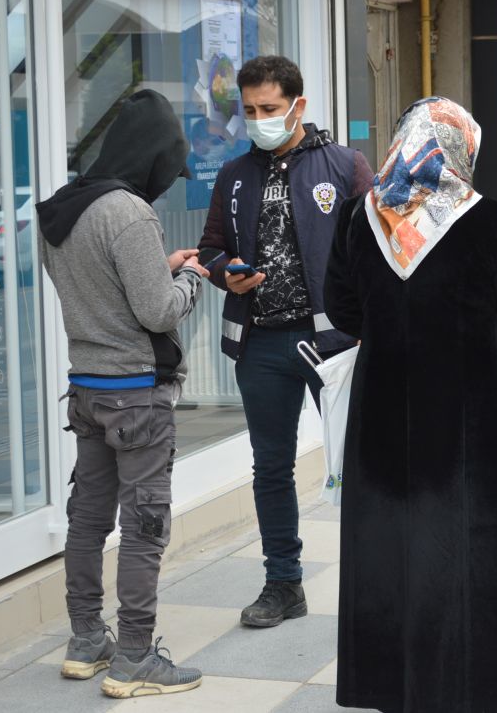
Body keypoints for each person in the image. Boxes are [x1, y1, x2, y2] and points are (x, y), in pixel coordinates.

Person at [325, 96, 497, 712]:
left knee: (390, 545)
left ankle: (396, 685)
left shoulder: (358, 217)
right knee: (467, 541)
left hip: (384, 410)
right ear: (459, 149)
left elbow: (342, 310)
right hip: (467, 415)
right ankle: (473, 684)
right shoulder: (487, 219)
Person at [37, 90, 207, 698]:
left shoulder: (62, 208)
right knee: (144, 527)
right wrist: (190, 278)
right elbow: (158, 312)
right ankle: (134, 656)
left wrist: (155, 265)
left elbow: (102, 289)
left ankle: (86, 640)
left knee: (87, 520)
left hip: (86, 389)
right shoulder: (128, 213)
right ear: (154, 157)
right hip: (137, 395)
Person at [198, 55, 373, 628]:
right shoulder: (234, 174)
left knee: (362, 463)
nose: (258, 120)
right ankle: (283, 583)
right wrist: (227, 272)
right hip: (262, 345)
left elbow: (376, 249)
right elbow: (210, 248)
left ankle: (379, 580)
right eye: (249, 111)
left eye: (269, 109)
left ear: (298, 105)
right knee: (270, 467)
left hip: (335, 346)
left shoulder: (344, 166)